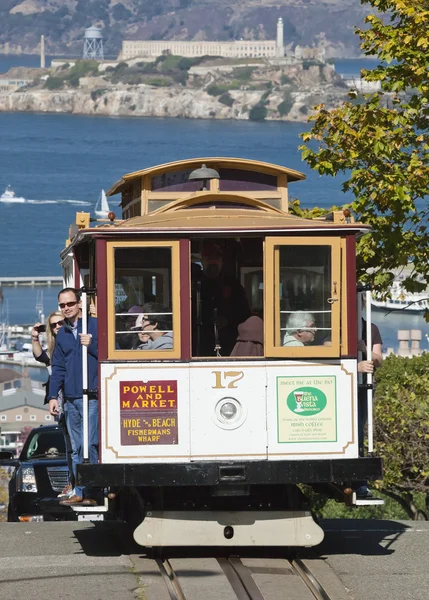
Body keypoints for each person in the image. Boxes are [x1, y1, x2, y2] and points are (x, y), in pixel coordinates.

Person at [48, 287, 99, 506]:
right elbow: (58, 366)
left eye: (70, 304)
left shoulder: (95, 326)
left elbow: (113, 351)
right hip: (70, 399)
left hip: (92, 397)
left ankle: (95, 492)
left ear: (80, 303)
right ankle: (79, 491)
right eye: (62, 305)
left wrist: (93, 344)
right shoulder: (62, 334)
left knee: (90, 445)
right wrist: (52, 396)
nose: (66, 308)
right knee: (77, 449)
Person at [31, 311, 76, 498]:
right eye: (54, 325)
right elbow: (39, 356)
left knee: (77, 444)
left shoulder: (72, 343)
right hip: (59, 400)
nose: (58, 327)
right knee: (69, 444)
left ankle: (77, 483)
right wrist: (34, 337)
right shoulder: (52, 350)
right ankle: (73, 482)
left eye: (60, 323)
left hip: (74, 397)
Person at [195, 241, 251, 356]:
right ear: (202, 261)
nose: (213, 262)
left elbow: (245, 312)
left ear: (221, 262)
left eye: (216, 259)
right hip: (199, 342)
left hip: (228, 341)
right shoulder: (194, 284)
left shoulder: (233, 284)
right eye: (208, 259)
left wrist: (228, 319)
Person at [355, 318, 383, 498]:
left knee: (358, 432)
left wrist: (365, 350)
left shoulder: (371, 327)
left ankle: (359, 482)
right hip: (342, 384)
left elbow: (379, 359)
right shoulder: (337, 324)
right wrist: (355, 367)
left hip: (363, 387)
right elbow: (328, 347)